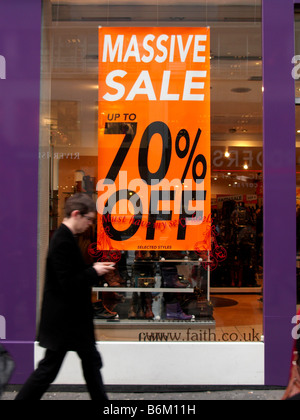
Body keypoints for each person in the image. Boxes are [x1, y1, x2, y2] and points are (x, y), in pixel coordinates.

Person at [15, 193, 115, 401]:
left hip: (70, 321)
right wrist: (93, 271)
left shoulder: (66, 239)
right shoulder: (62, 241)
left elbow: (71, 276)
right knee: (49, 370)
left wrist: (93, 270)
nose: (90, 224)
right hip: (66, 322)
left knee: (89, 365)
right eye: (88, 219)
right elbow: (68, 283)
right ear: (76, 214)